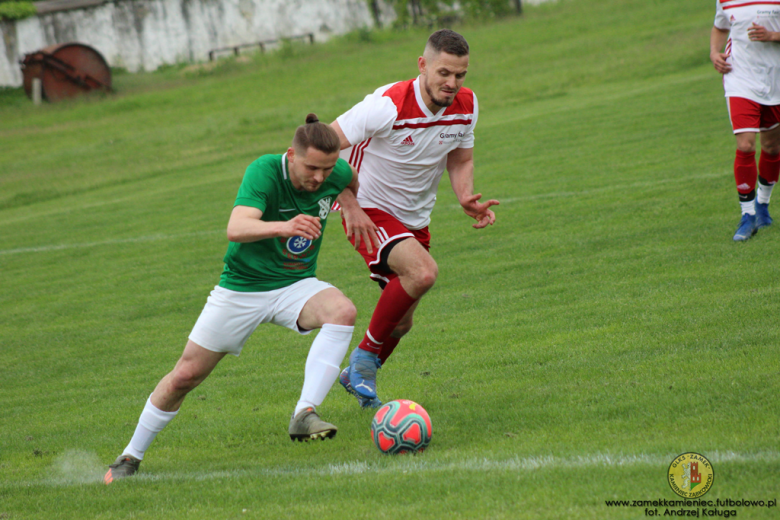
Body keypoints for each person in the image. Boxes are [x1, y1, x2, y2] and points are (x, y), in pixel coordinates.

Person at [104, 114, 359, 483]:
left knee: (343, 311)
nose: (320, 177)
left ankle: (304, 414)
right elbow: (236, 228)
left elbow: (347, 181)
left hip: (295, 284)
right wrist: (283, 226)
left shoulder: (335, 173)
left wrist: (348, 203)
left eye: (327, 168)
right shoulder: (265, 171)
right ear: (291, 155)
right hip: (242, 288)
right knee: (184, 377)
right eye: (312, 168)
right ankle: (129, 456)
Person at [331, 29, 499, 408]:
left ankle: (356, 374)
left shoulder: (467, 105)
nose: (452, 83)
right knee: (422, 273)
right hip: (368, 209)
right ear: (422, 66)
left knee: (402, 323)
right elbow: (319, 142)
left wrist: (464, 196)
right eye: (444, 73)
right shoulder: (387, 105)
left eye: (460, 75)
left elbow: (460, 157)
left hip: (414, 219)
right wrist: (349, 203)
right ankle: (362, 361)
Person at [711, 1, 780, 241]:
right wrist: (714, 52)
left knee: (771, 147)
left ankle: (762, 204)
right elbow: (720, 26)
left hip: (775, 77)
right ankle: (747, 215)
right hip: (739, 77)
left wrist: (773, 35)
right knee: (746, 145)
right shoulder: (725, 1)